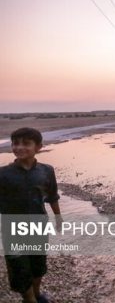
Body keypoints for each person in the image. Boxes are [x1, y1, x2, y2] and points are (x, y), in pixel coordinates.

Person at [0, 128, 62, 303]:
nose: (19, 147)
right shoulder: (3, 174)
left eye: (26, 143)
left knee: (38, 265)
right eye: (15, 143)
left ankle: (36, 292)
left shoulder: (47, 171)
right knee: (18, 266)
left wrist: (58, 217)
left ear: (38, 147)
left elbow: (52, 196)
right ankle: (29, 299)